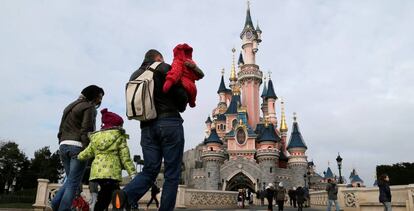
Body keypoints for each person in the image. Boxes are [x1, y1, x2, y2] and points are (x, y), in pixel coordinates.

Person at [112, 49, 200, 211]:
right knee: (172, 174)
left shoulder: (135, 75)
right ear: (158, 58)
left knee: (149, 170)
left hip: (146, 127)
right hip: (169, 123)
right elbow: (180, 99)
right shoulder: (163, 68)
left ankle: (126, 194)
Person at [51, 85, 104, 211]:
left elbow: (61, 127)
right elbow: (86, 129)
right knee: (73, 184)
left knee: (70, 180)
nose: (100, 100)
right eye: (100, 96)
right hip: (78, 147)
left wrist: (61, 140)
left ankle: (55, 204)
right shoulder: (89, 107)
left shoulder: (69, 106)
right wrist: (88, 150)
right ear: (93, 95)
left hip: (63, 145)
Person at [78, 108, 136, 211]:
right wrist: (132, 172)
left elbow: (88, 152)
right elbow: (125, 157)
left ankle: (111, 208)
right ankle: (117, 208)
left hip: (97, 173)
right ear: (116, 125)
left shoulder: (95, 138)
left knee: (108, 193)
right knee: (112, 194)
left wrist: (78, 156)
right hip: (112, 173)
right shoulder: (119, 136)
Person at [162, 43, 204, 108]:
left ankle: (188, 103)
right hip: (192, 88)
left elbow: (175, 72)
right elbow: (200, 75)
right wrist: (194, 67)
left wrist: (168, 82)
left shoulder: (178, 61)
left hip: (182, 85)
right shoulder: (191, 63)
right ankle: (191, 102)